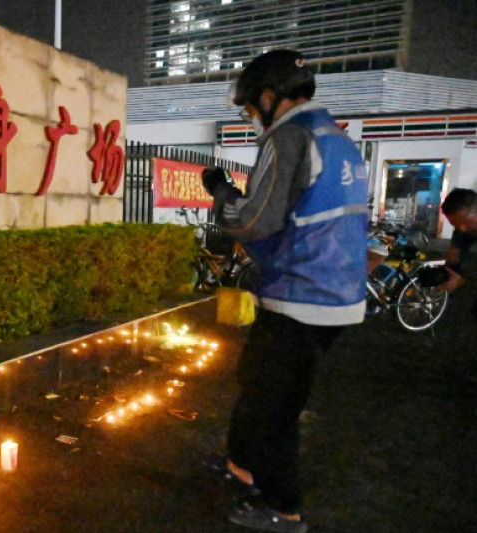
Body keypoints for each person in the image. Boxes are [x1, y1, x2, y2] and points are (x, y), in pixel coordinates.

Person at [200, 49, 369, 533]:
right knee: (256, 383)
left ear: (271, 96)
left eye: (252, 109)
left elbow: (256, 219)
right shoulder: (335, 138)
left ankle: (282, 506)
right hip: (332, 294)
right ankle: (239, 464)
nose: (253, 119)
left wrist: (220, 192)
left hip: (302, 295)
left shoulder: (290, 136)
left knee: (274, 407)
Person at [436, 188, 477, 293]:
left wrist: (462, 282)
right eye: (455, 225)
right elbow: (453, 258)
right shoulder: (461, 231)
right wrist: (444, 274)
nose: (462, 228)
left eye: (465, 223)